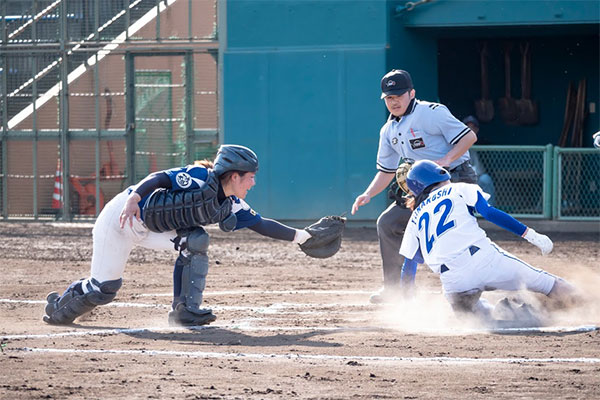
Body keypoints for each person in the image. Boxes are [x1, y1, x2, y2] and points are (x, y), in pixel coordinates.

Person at [43, 145, 314, 327]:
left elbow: (263, 225)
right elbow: (160, 178)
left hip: (153, 230)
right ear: (234, 176)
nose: (253, 183)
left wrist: (304, 236)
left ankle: (184, 310)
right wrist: (134, 198)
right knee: (104, 290)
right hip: (121, 219)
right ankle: (57, 309)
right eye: (250, 177)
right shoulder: (199, 177)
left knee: (194, 241)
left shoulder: (232, 203)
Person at [351, 69, 478, 304]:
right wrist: (367, 194)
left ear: (412, 93)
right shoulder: (388, 130)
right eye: (389, 97)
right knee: (388, 223)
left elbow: (468, 137)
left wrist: (447, 160)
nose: (394, 101)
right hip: (424, 189)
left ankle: (468, 288)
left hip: (456, 179)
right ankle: (396, 289)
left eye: (399, 95)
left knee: (449, 233)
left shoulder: (431, 113)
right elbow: (386, 171)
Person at [398, 160, 578, 325]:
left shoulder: (415, 218)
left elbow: (408, 266)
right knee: (550, 284)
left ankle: (507, 313)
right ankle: (588, 301)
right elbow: (489, 213)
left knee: (478, 320)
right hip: (485, 260)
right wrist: (531, 235)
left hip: (453, 281)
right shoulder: (459, 188)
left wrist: (407, 304)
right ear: (440, 174)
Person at [462, 115, 496, 206]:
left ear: (477, 130)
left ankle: (489, 209)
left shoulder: (483, 143)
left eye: (473, 127)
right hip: (463, 176)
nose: (470, 130)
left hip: (479, 176)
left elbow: (489, 167)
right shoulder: (457, 143)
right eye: (467, 127)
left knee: (486, 179)